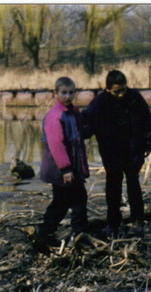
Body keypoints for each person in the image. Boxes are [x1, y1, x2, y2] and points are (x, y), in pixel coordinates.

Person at [83, 69, 151, 238]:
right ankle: (113, 223)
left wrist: (149, 144)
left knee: (133, 184)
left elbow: (147, 121)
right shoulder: (99, 103)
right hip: (111, 151)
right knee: (113, 186)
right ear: (107, 89)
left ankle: (138, 220)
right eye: (117, 91)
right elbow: (87, 122)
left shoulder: (135, 98)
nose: (121, 94)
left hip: (133, 150)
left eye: (123, 90)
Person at [36, 76, 90, 249]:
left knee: (69, 200)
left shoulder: (73, 112)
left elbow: (80, 134)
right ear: (55, 94)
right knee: (70, 201)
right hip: (60, 169)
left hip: (73, 167)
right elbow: (56, 145)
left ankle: (56, 233)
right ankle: (54, 233)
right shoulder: (55, 116)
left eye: (71, 92)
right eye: (64, 93)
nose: (68, 96)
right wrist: (66, 169)